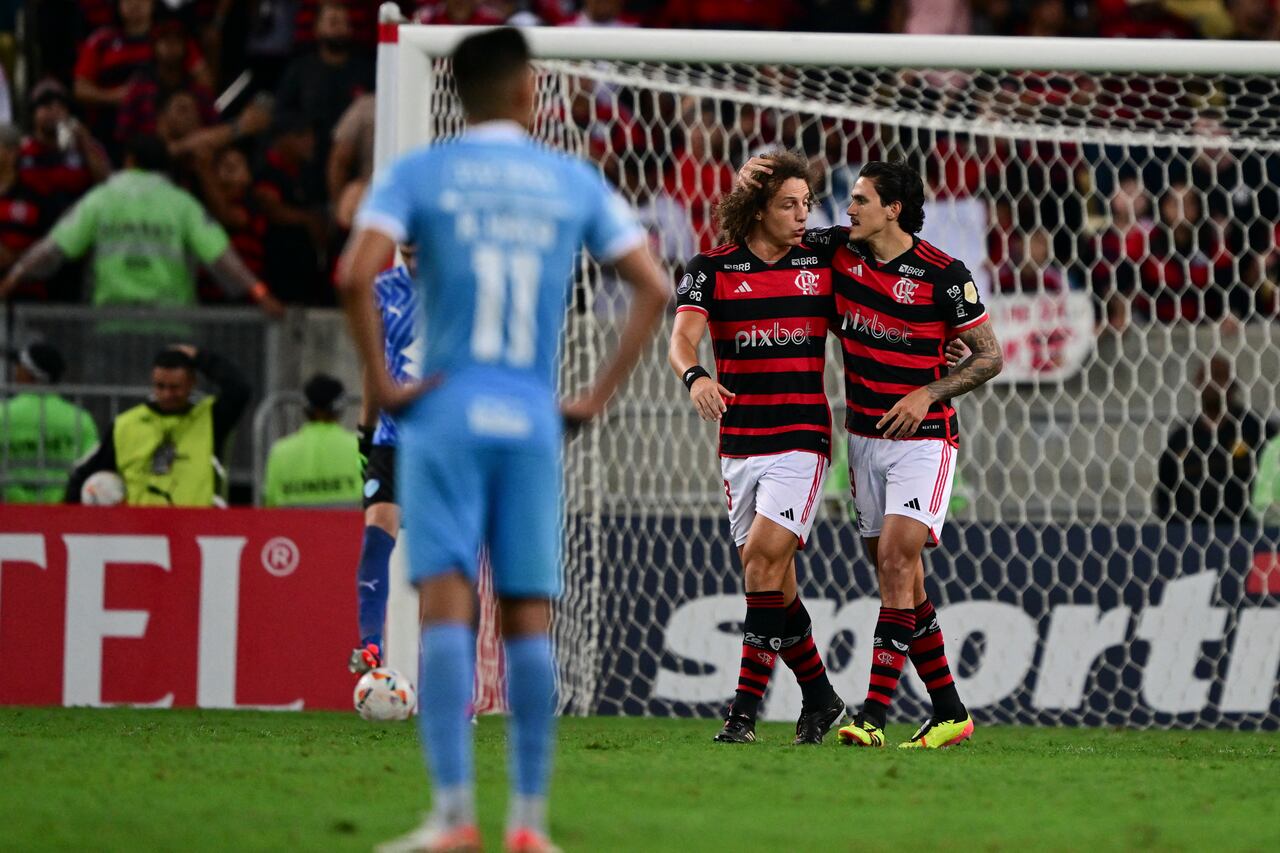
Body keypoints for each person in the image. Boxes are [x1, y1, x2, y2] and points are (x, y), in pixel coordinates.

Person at [338, 26, 667, 853]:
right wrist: (593, 394)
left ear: (457, 89)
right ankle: (528, 823)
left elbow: (354, 273)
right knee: (525, 616)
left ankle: (453, 817)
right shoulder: (570, 178)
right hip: (528, 415)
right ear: (528, 92)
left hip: (443, 411)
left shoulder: (420, 171)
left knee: (445, 603)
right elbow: (653, 285)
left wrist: (382, 382)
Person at [817, 160, 1003, 750]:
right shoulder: (837, 253)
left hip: (925, 442)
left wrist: (928, 391)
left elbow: (989, 356)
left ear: (893, 209)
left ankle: (871, 716)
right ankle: (950, 710)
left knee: (898, 565)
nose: (849, 209)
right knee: (901, 580)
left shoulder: (944, 274)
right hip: (864, 440)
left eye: (861, 200)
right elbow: (780, 241)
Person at [669, 149, 846, 746]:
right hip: (740, 441)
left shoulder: (822, 260)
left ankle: (741, 714)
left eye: (806, 205)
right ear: (757, 209)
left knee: (765, 563)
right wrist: (696, 378)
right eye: (788, 205)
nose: (802, 216)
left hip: (801, 436)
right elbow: (681, 341)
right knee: (768, 578)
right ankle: (820, 697)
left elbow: (883, 262)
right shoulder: (710, 269)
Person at [0, 135, 284, 317]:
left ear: (129, 161)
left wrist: (13, 277)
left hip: (111, 322)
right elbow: (224, 260)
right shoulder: (182, 204)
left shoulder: (102, 199)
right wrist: (262, 295)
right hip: (171, 326)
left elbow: (53, 249)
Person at [347, 243, 420, 676]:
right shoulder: (382, 291)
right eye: (406, 253)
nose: (413, 262)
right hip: (392, 439)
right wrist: (365, 430)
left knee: (446, 565)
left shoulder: (462, 288)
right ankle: (371, 647)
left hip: (443, 446)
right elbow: (375, 368)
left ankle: (450, 685)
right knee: (377, 529)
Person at [65, 345, 251, 507]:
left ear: (192, 383)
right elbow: (82, 477)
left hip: (195, 530)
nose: (166, 394)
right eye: (160, 386)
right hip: (142, 535)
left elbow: (239, 388)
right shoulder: (126, 425)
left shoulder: (211, 418)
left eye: (175, 387)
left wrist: (199, 356)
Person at [1155, 354, 1271, 525]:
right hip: (1189, 538)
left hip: (1243, 535)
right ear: (1196, 384)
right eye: (1204, 376)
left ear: (1233, 384)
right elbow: (1165, 493)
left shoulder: (1255, 431)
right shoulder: (1182, 438)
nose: (1211, 383)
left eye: (1218, 375)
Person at [0, 342, 98, 503]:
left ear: (29, 374)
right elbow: (90, 467)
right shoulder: (80, 418)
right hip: (61, 511)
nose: (15, 371)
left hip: (10, 510)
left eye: (20, 366)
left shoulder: (3, 414)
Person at [262, 374, 362, 508]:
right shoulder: (359, 448)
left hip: (293, 528)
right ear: (341, 409)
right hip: (348, 528)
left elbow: (270, 505)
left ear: (305, 408)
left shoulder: (280, 452)